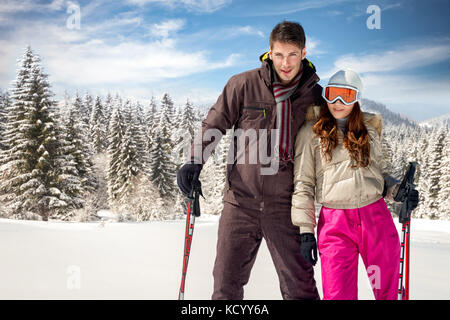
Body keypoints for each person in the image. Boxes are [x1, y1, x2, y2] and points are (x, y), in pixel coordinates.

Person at [177, 21, 322, 300]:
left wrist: (384, 183)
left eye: (292, 54)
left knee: (300, 289)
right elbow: (214, 123)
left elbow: (336, 144)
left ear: (304, 52)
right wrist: (194, 160)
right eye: (279, 54)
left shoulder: (314, 96)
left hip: (286, 207)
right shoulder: (243, 84)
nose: (286, 63)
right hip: (240, 202)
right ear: (269, 52)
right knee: (225, 286)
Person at [291, 69, 419, 300]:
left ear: (356, 98)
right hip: (335, 224)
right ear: (325, 95)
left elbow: (380, 175)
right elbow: (303, 183)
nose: (338, 103)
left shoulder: (369, 130)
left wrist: (398, 190)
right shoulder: (311, 133)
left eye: (346, 96)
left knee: (387, 291)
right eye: (332, 95)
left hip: (375, 219)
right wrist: (305, 231)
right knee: (338, 294)